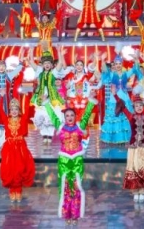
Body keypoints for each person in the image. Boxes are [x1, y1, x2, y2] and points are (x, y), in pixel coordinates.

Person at [44, 93, 97, 225]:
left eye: (72, 115)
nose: (69, 117)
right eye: (67, 115)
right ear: (64, 117)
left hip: (77, 160)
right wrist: (46, 103)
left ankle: (75, 215)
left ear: (75, 116)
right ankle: (66, 214)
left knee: (76, 187)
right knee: (65, 187)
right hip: (64, 160)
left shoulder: (80, 127)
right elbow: (52, 115)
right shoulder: (60, 126)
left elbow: (86, 115)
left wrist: (91, 101)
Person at [116, 95, 144, 203]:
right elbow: (122, 106)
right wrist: (115, 95)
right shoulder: (130, 116)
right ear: (134, 107)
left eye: (141, 105)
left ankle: (142, 190)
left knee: (143, 169)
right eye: (137, 106)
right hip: (133, 147)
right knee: (134, 168)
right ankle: (135, 190)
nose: (139, 107)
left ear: (143, 106)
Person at [0, 98, 35, 202]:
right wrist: (1, 98)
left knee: (19, 169)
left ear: (19, 110)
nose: (14, 111)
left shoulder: (22, 119)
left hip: (20, 148)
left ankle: (18, 191)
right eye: (12, 109)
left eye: (16, 109)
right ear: (9, 111)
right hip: (9, 148)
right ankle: (12, 191)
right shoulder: (6, 120)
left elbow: (27, 110)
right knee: (10, 169)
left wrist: (27, 98)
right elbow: (0, 110)